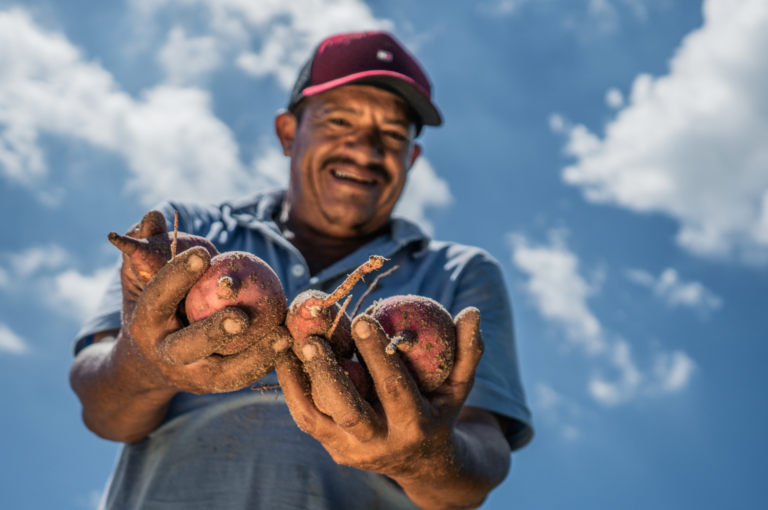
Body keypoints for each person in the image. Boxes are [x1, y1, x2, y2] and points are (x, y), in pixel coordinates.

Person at [70, 31, 533, 510]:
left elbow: (481, 461)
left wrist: (427, 458)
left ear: (411, 157)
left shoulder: (459, 273)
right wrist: (142, 367)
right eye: (340, 121)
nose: (365, 149)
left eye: (393, 135)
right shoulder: (192, 231)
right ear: (289, 133)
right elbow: (101, 411)